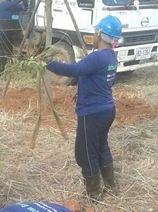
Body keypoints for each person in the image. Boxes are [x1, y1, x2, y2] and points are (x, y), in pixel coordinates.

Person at [45, 15, 122, 199]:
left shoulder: (97, 57)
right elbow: (104, 81)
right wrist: (82, 92)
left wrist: (50, 64)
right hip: (107, 109)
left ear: (100, 34)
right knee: (101, 147)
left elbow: (75, 70)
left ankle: (93, 194)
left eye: (95, 32)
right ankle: (111, 187)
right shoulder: (111, 57)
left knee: (85, 153)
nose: (93, 35)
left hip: (92, 113)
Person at [0, 0, 29, 74]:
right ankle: (1, 70)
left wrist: (25, 0)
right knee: (3, 52)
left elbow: (24, 8)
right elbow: (11, 4)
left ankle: (9, 69)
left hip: (11, 32)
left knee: (9, 51)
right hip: (3, 32)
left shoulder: (14, 5)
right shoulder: (2, 4)